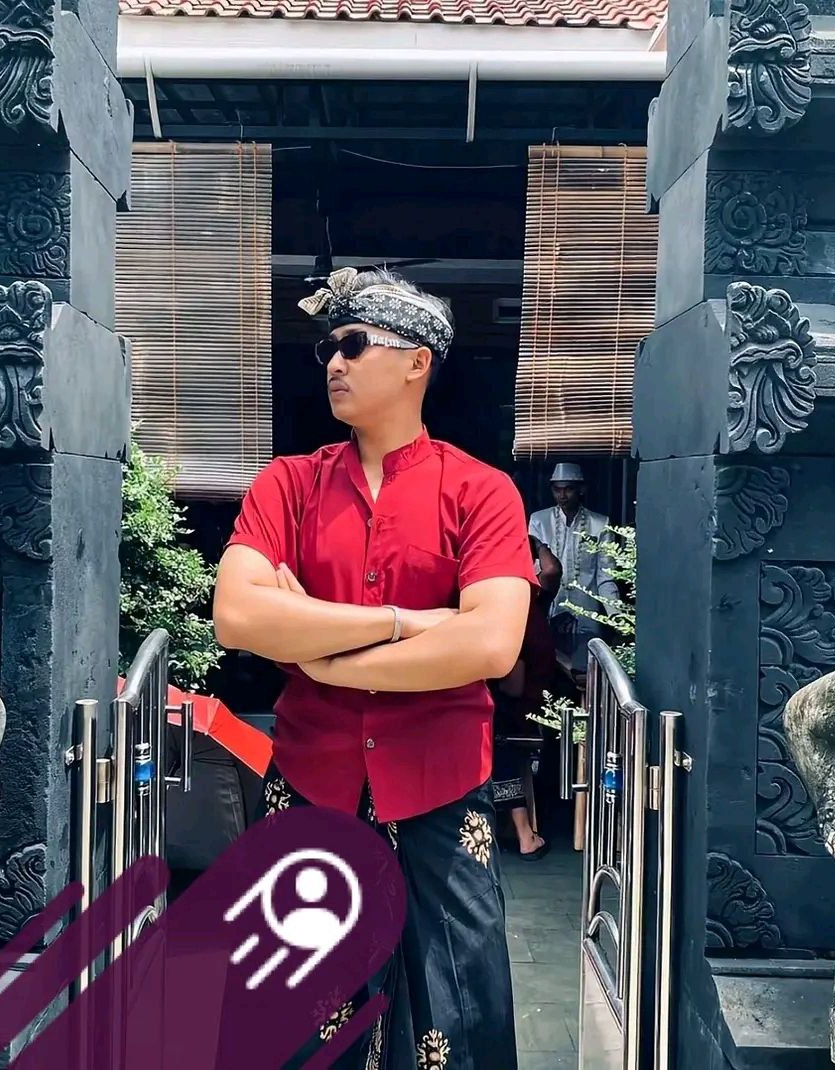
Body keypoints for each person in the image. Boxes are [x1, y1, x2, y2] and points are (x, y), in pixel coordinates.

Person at [213, 267, 536, 1070]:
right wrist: (404, 623)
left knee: (457, 1017)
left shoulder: (482, 491)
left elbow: (491, 645)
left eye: (354, 345)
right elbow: (239, 615)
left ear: (417, 361)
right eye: (328, 347)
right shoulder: (288, 484)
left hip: (439, 784)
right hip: (311, 779)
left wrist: (319, 657)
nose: (334, 361)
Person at [490, 540, 557, 861]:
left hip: (522, 712)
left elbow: (513, 687)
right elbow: (551, 570)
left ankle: (524, 834)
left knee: (490, 732)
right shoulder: (533, 599)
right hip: (534, 705)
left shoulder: (515, 613)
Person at [529, 462, 620, 688]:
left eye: (568, 488)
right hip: (551, 610)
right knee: (547, 676)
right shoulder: (539, 520)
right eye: (557, 489)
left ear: (581, 489)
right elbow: (535, 568)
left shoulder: (600, 523)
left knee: (585, 678)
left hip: (587, 616)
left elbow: (605, 576)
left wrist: (615, 616)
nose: (562, 495)